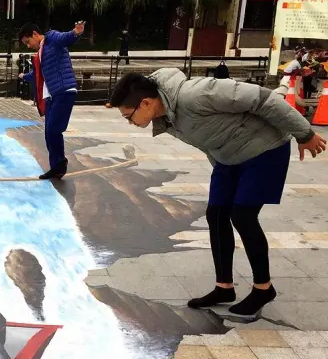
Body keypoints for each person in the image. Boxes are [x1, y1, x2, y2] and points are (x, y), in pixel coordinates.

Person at [109, 69, 326, 318]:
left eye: (129, 117)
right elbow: (207, 139)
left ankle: (263, 288)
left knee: (243, 216)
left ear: (146, 103)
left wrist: (304, 134)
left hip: (264, 149)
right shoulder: (166, 116)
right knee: (217, 214)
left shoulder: (196, 95)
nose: (130, 122)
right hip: (227, 158)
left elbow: (263, 99)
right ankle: (224, 288)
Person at [18, 20, 86, 179]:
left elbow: (66, 38)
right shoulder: (41, 52)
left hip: (64, 91)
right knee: (49, 132)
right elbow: (37, 75)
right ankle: (55, 167)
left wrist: (76, 32)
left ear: (35, 34)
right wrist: (24, 76)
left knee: (54, 130)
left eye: (28, 41)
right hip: (50, 96)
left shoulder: (52, 38)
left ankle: (60, 165)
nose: (28, 46)